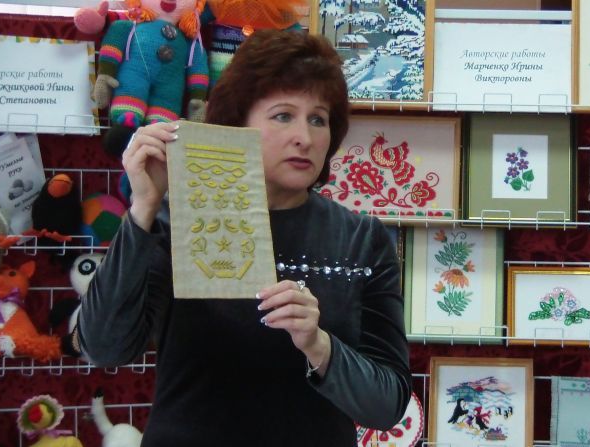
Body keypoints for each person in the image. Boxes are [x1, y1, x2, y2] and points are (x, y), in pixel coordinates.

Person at [78, 29, 412, 446]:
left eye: (318, 119)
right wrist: (144, 207)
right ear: (236, 125)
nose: (305, 137)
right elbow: (104, 346)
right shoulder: (182, 219)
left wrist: (319, 345)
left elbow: (387, 404)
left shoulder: (361, 239)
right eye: (283, 115)